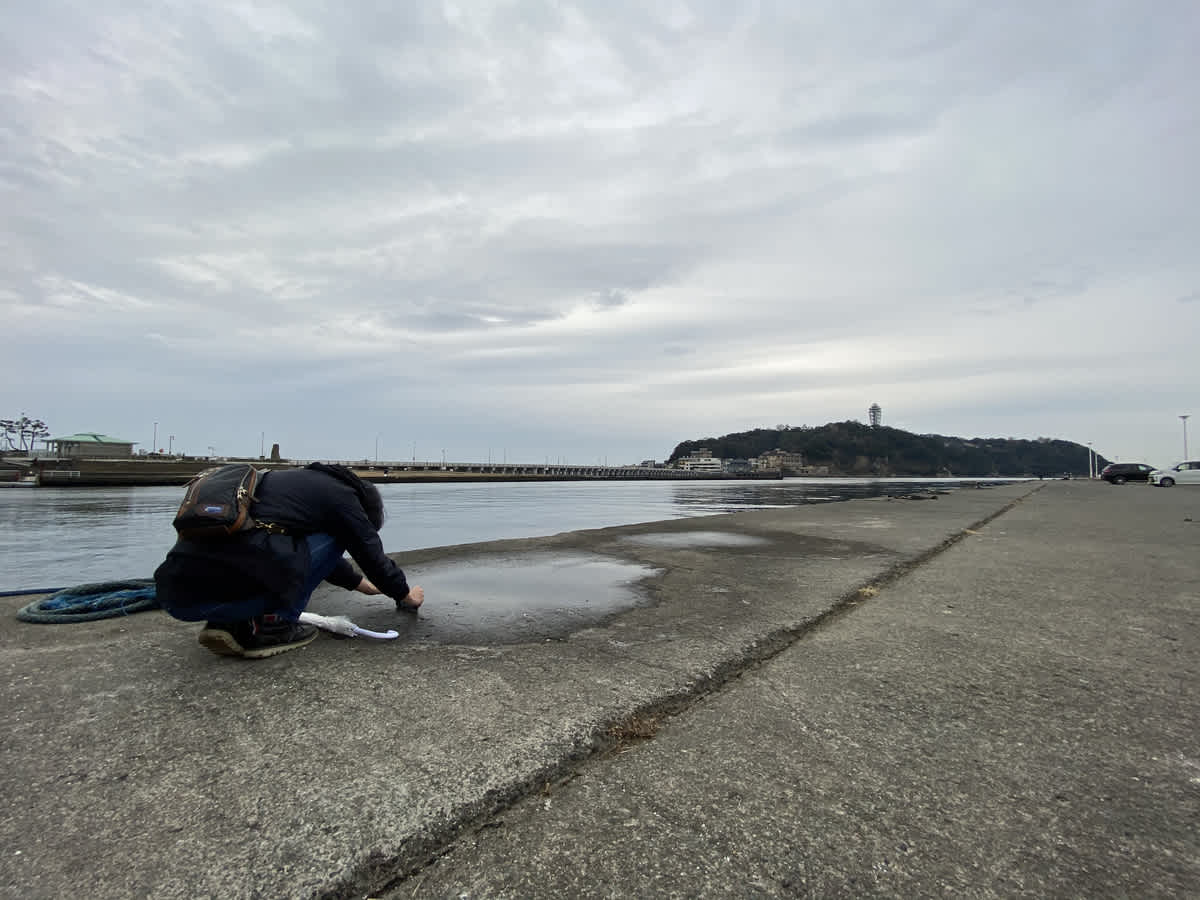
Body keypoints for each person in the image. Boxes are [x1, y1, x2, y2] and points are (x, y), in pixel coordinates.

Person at [154, 462, 424, 659]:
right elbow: (368, 552)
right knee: (339, 535)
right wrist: (404, 595)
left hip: (178, 599)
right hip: (234, 579)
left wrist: (360, 584)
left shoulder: (281, 484)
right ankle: (272, 622)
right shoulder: (342, 497)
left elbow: (301, 551)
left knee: (296, 542)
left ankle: (233, 621)